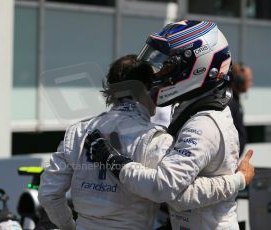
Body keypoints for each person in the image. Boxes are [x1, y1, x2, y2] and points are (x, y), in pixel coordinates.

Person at [39, 54, 253, 229]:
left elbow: (49, 195)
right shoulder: (156, 139)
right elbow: (180, 197)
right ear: (148, 90)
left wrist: (70, 227)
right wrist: (239, 180)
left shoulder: (77, 132)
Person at [86, 20, 254, 229]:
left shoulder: (203, 124)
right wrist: (237, 180)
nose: (158, 74)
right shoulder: (192, 108)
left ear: (197, 67)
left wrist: (112, 160)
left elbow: (166, 189)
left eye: (169, 66)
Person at [229, 63, 253, 156]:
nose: (251, 83)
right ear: (240, 80)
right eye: (249, 80)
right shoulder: (230, 102)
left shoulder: (235, 100)